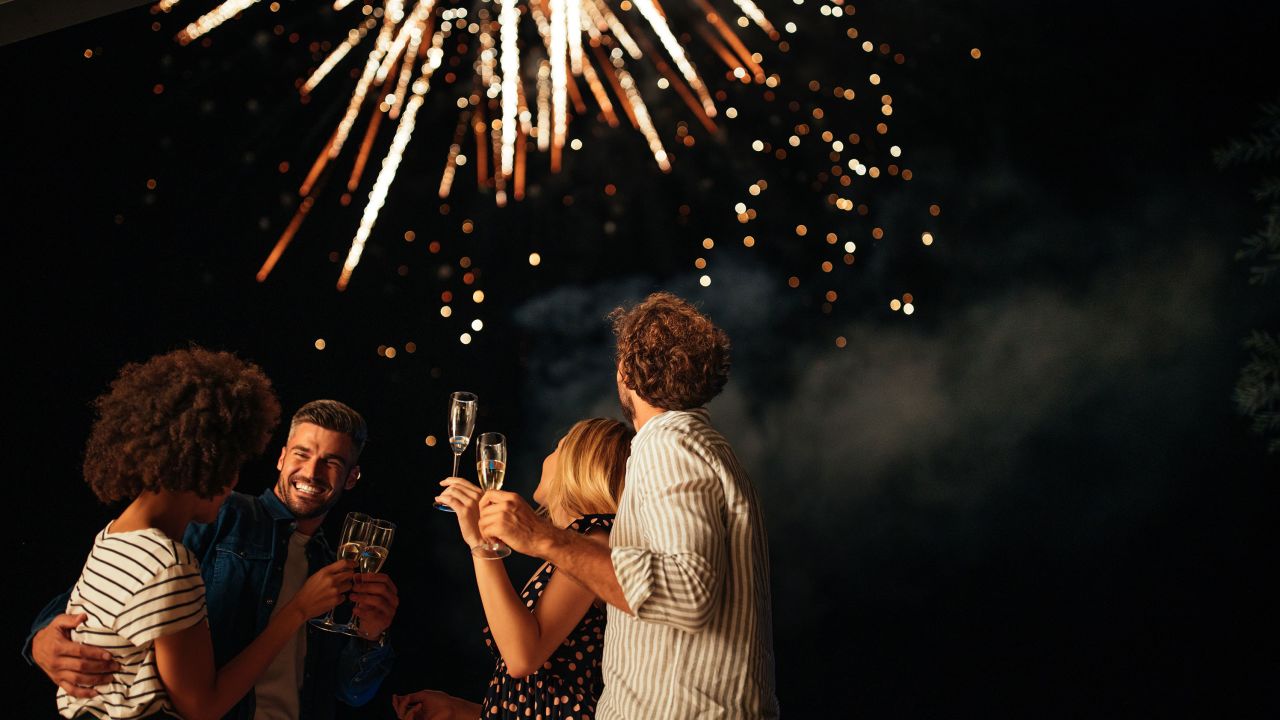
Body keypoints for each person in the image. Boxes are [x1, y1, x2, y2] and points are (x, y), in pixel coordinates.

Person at [479, 292, 780, 718]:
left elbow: (687, 592)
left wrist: (541, 538)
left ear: (625, 372)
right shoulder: (709, 451)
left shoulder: (667, 444)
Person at [27, 394, 400, 720]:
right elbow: (119, 583)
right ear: (282, 458)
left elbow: (352, 694)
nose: (312, 471)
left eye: (332, 462)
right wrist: (42, 637)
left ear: (351, 477)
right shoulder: (220, 514)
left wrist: (371, 638)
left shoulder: (334, 568)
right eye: (302, 454)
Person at [391, 417, 634, 720]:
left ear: (578, 463)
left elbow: (522, 656)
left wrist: (480, 546)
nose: (547, 457)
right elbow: (540, 693)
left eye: (557, 449)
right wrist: (460, 711)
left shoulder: (593, 541)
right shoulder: (576, 545)